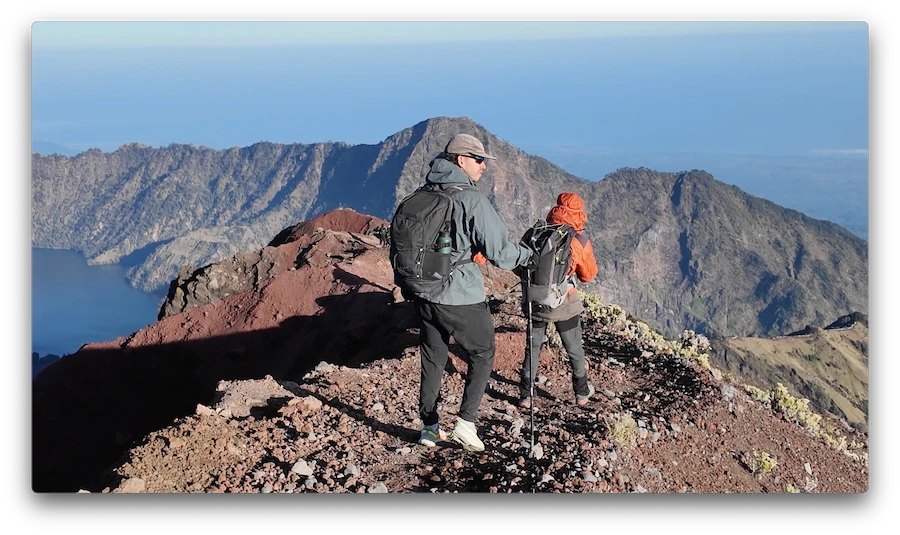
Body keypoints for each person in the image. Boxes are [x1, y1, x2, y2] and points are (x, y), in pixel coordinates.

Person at [408, 133, 535, 453]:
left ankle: (429, 428)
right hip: (459, 293)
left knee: (433, 358)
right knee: (482, 352)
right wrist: (527, 257)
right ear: (461, 160)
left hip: (423, 291)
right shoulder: (470, 198)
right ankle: (466, 424)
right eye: (479, 160)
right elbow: (501, 253)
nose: (484, 167)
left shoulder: (424, 192)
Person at [519, 192, 599, 409]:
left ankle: (526, 395)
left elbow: (519, 265)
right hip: (564, 303)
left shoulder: (534, 233)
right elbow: (588, 275)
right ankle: (581, 392)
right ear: (579, 214)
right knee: (573, 347)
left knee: (532, 347)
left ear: (555, 210)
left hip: (534, 300)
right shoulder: (579, 240)